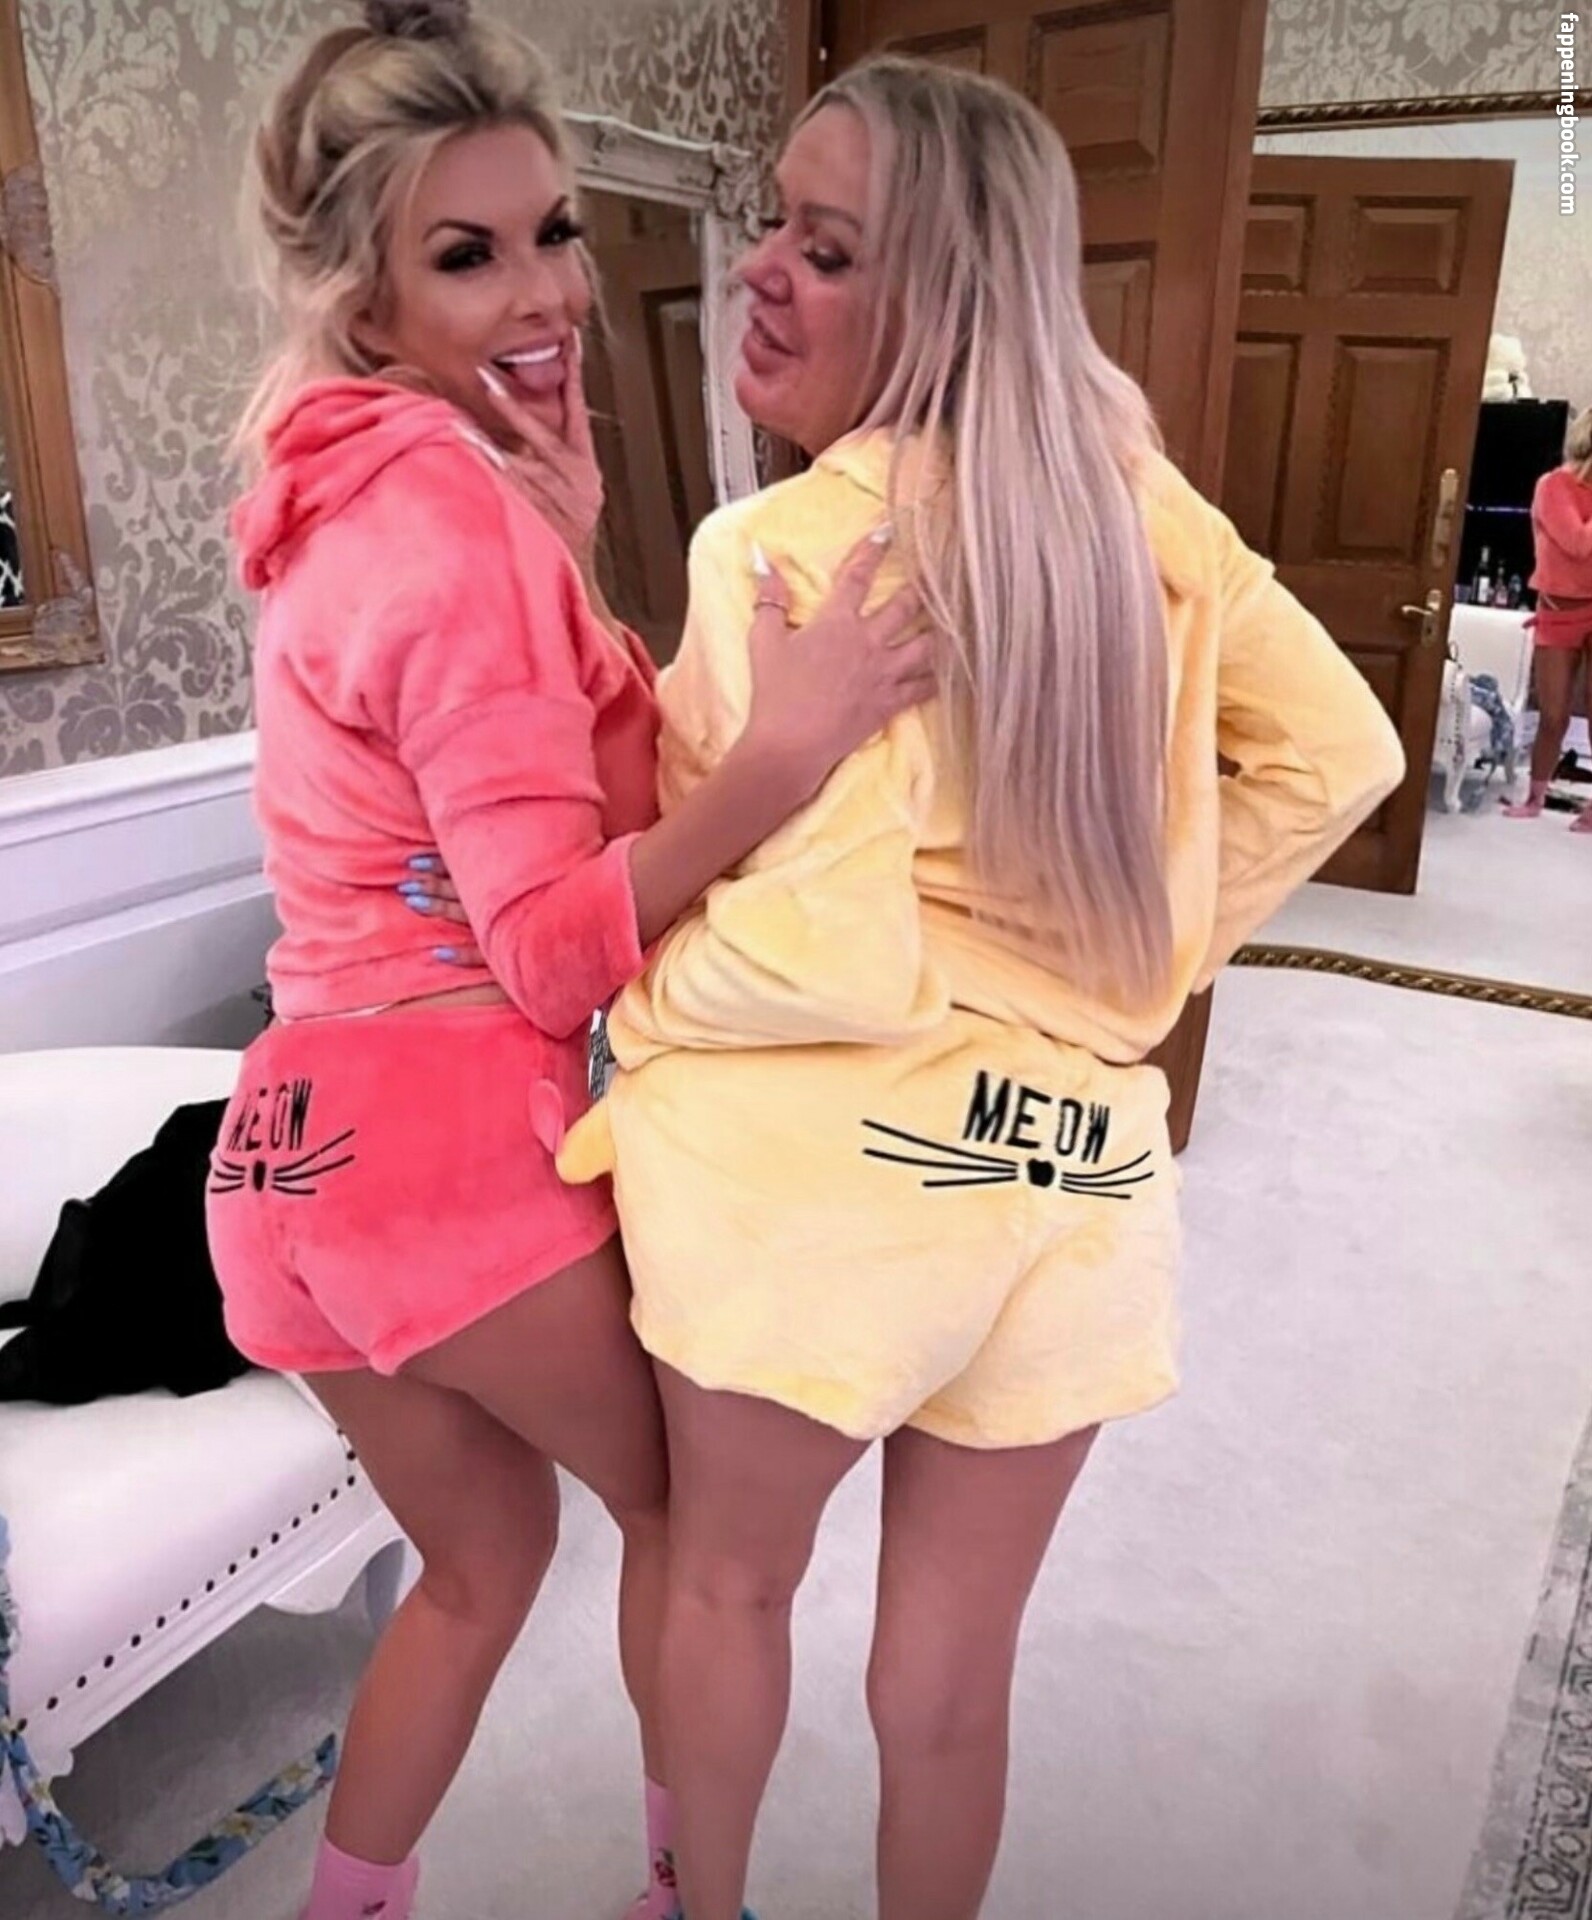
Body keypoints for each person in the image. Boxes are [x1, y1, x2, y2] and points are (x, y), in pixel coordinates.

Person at [528, 56, 1405, 1920]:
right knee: (950, 1682)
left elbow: (812, 944)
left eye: (828, 248)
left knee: (725, 1586)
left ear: (945, 299)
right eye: (775, 222)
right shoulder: (1145, 522)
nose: (762, 270)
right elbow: (1343, 756)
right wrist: (1137, 954)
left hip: (820, 1195)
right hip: (1075, 1181)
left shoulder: (779, 552)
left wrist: (645, 1028)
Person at [206, 7, 931, 1920]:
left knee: (478, 1566)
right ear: (361, 292)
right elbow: (543, 956)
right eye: (467, 255)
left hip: (282, 1164)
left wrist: (575, 551)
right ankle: (687, 1895)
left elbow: (497, 790)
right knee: (687, 1518)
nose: (542, 294)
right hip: (443, 1154)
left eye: (554, 232)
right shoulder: (448, 528)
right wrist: (788, 750)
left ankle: (350, 1903)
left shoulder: (338, 498)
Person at [1504, 405, 1592, 830]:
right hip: (1558, 610)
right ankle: (1535, 796)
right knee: (1553, 714)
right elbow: (1577, 543)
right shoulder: (1553, 486)